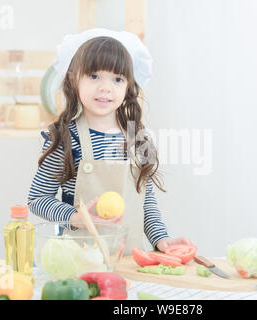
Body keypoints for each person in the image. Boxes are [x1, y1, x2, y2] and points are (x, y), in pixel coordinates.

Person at [27, 28, 194, 254]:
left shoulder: (139, 138)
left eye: (117, 79)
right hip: (78, 260)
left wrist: (160, 238)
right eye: (94, 76)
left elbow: (146, 202)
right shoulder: (65, 137)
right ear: (72, 78)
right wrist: (75, 218)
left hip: (129, 259)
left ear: (128, 87)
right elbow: (38, 198)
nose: (106, 87)